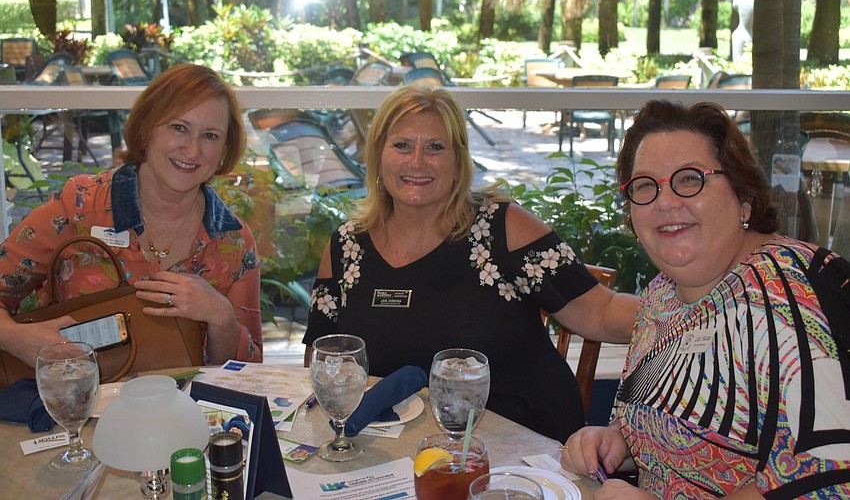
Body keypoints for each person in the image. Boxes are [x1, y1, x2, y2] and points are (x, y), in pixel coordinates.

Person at [302, 85, 638, 442]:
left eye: (435, 147)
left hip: (524, 443)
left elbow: (602, 311)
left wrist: (691, 312)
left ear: (458, 159)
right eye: (402, 145)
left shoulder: (502, 228)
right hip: (396, 448)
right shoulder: (346, 246)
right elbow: (322, 364)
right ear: (378, 156)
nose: (417, 162)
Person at [560, 100, 850, 497]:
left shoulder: (797, 291)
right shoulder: (661, 294)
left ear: (743, 196)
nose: (664, 201)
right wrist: (617, 443)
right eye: (646, 185)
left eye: (690, 178)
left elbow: (830, 480)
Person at [0, 63, 262, 367]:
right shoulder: (80, 206)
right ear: (145, 129)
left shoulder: (233, 243)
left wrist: (221, 317)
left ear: (224, 150)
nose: (192, 151)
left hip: (183, 414)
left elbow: (251, 373)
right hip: (75, 409)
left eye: (210, 136)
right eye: (179, 127)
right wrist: (14, 337)